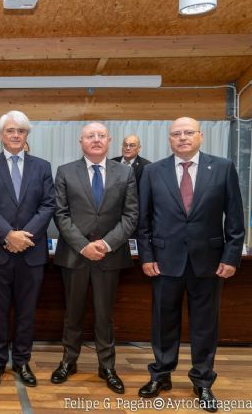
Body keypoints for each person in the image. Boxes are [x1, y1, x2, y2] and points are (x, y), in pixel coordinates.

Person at [137, 117, 244, 412]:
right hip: (164, 262)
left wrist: (230, 256)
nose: (182, 138)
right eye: (176, 134)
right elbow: (143, 221)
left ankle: (203, 381)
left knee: (205, 326)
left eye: (188, 133)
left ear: (201, 136)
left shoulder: (222, 168)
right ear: (169, 139)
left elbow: (235, 217)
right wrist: (146, 257)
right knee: (162, 323)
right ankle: (160, 375)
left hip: (209, 263)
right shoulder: (152, 172)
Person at [50, 122, 138, 394]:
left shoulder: (125, 173)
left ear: (109, 140)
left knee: (104, 314)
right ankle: (69, 361)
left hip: (108, 257)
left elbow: (131, 215)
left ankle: (107, 366)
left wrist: (106, 243)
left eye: (101, 136)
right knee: (72, 313)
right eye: (90, 136)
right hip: (75, 256)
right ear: (81, 141)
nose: (96, 140)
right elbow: (60, 214)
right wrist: (82, 245)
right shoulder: (65, 172)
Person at [0, 110, 55, 388]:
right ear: (1, 134)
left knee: (26, 312)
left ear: (27, 135)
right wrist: (8, 234)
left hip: (31, 253)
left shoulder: (42, 167)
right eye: (10, 130)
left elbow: (48, 206)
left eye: (21, 131)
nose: (15, 135)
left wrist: (24, 237)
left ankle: (21, 361)